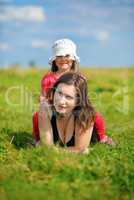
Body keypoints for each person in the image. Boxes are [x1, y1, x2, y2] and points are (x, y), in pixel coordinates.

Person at [32, 38, 115, 146]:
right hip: (54, 107)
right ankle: (38, 138)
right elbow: (44, 96)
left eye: (67, 56)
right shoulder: (48, 79)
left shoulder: (79, 77)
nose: (63, 59)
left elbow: (83, 97)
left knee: (96, 116)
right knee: (37, 116)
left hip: (74, 108)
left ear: (73, 59)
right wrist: (44, 100)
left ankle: (102, 137)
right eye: (59, 56)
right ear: (54, 59)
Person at [39, 72, 95, 153]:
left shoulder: (85, 114)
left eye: (68, 97)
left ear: (78, 101)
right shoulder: (45, 108)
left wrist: (54, 150)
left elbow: (79, 149)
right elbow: (47, 149)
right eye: (59, 93)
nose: (61, 101)